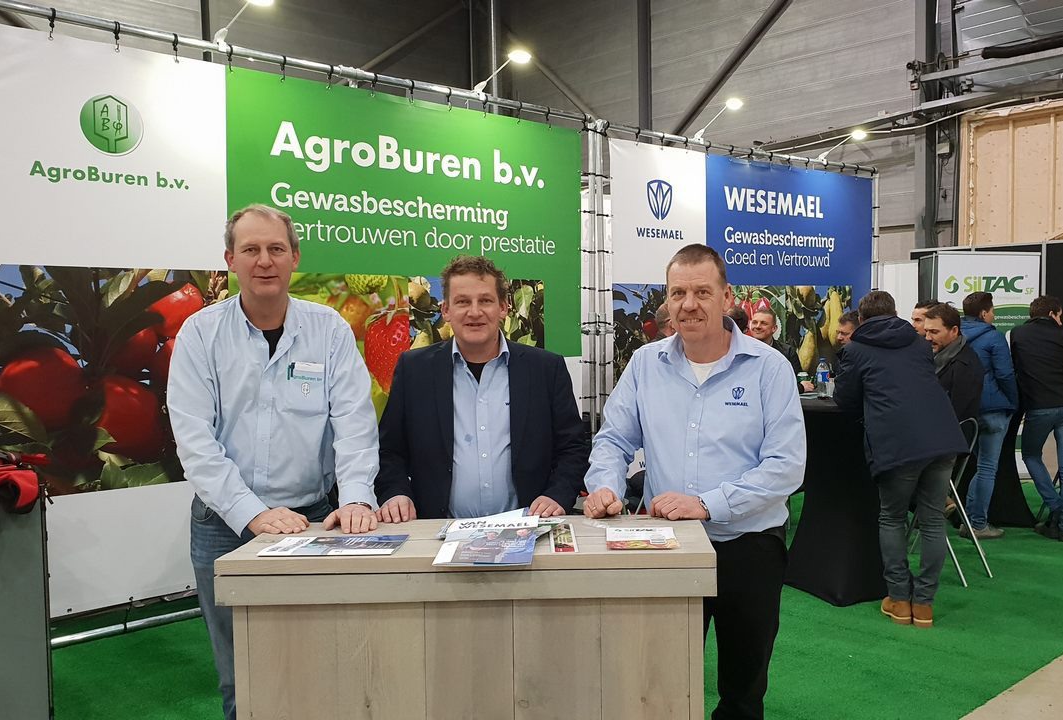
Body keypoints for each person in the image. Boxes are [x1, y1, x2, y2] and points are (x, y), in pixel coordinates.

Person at [169, 204, 380, 720]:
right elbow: (195, 440)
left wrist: (356, 498)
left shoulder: (329, 330)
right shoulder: (200, 334)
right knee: (240, 676)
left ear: (294, 258)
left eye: (276, 249)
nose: (264, 261)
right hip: (223, 525)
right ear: (230, 260)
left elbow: (354, 422)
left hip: (313, 520)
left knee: (319, 662)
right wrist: (252, 514)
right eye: (251, 250)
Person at [582, 244, 804, 720]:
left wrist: (706, 504)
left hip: (748, 546)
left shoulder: (769, 369)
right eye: (678, 293)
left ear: (727, 298)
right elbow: (614, 439)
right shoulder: (645, 364)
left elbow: (786, 465)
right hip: (667, 545)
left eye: (702, 292)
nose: (689, 304)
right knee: (656, 675)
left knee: (743, 687)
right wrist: (606, 487)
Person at [374, 255, 588, 523]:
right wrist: (395, 493)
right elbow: (389, 451)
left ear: (503, 307)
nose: (474, 312)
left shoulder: (545, 368)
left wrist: (557, 495)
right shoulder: (414, 369)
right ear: (446, 310)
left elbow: (572, 448)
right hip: (439, 532)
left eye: (485, 301)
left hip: (529, 528)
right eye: (462, 302)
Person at [835, 291, 966, 629]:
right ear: (895, 313)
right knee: (933, 521)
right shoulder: (919, 344)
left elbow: (845, 399)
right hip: (942, 437)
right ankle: (924, 604)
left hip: (898, 444)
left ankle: (899, 598)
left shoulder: (856, 349)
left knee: (892, 518)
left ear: (861, 319)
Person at [1009, 296, 1063, 542]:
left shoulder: (1018, 334)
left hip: (1039, 406)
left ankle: (1056, 506)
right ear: (1053, 314)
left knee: (1031, 455)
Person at [960, 291, 1018, 540]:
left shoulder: (954, 334)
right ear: (984, 313)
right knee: (987, 468)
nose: (994, 315)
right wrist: (1012, 401)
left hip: (966, 409)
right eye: (993, 311)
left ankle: (969, 521)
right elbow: (1005, 373)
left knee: (976, 466)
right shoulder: (994, 337)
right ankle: (978, 523)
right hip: (993, 409)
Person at [922, 303, 982, 424]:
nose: (928, 337)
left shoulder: (964, 366)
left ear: (954, 331)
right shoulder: (934, 357)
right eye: (926, 331)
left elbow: (958, 414)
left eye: (934, 332)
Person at [747, 307, 814, 392]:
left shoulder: (788, 352)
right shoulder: (742, 351)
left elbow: (794, 382)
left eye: (763, 323)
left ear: (774, 328)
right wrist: (801, 387)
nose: (757, 326)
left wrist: (799, 387)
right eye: (754, 322)